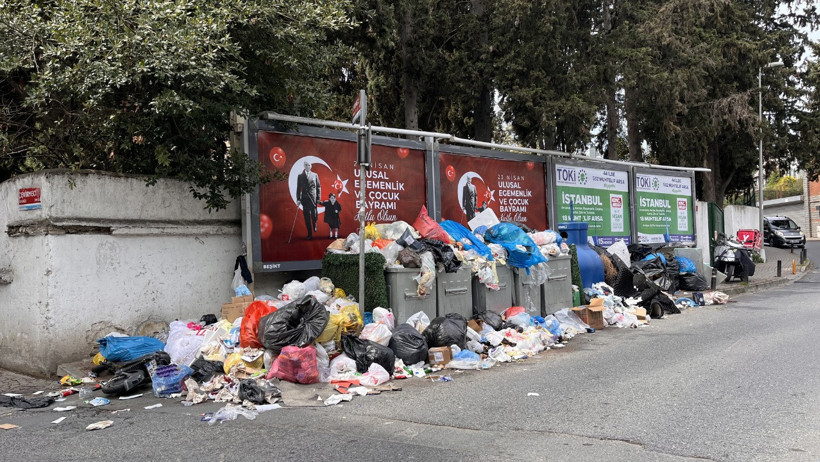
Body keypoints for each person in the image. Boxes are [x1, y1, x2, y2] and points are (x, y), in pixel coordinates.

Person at [296, 161, 321, 240]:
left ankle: (314, 222)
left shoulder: (315, 175)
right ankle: (309, 234)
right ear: (304, 166)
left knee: (314, 215)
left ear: (311, 166)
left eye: (309, 165)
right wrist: (298, 199)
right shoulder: (300, 176)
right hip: (305, 199)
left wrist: (318, 198)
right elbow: (298, 188)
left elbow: (318, 187)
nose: (307, 166)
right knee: (306, 217)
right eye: (306, 165)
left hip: (313, 198)